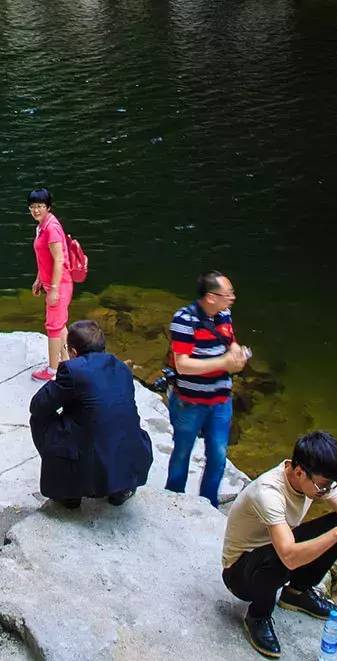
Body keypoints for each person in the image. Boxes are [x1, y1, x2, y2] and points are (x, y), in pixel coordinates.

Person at [221, 431, 337, 658]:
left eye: (331, 485)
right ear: (299, 471)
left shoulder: (315, 481)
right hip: (241, 574)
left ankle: (296, 592)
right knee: (284, 552)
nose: (326, 491)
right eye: (322, 486)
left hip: (274, 554)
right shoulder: (268, 493)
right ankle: (258, 615)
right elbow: (289, 555)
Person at [30, 319, 152, 509]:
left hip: (92, 457)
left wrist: (57, 381)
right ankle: (121, 489)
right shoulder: (121, 367)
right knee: (112, 425)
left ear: (73, 352)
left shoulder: (72, 370)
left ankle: (68, 491)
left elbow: (38, 406)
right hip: (133, 457)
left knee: (40, 419)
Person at [165, 271, 249, 506]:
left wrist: (235, 352)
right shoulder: (184, 320)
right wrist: (224, 363)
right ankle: (173, 500)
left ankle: (208, 504)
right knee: (182, 452)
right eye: (227, 294)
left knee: (219, 455)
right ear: (211, 297)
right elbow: (182, 365)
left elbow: (229, 340)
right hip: (190, 401)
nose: (232, 298)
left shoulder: (224, 314)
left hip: (221, 400)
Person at [27, 188, 72, 382]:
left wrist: (53, 290)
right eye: (32, 206)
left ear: (48, 207)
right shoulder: (42, 225)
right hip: (53, 283)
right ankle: (67, 362)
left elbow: (59, 259)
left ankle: (53, 370)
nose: (36, 210)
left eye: (40, 206)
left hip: (59, 285)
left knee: (53, 327)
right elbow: (44, 258)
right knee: (60, 325)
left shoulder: (51, 228)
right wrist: (39, 279)